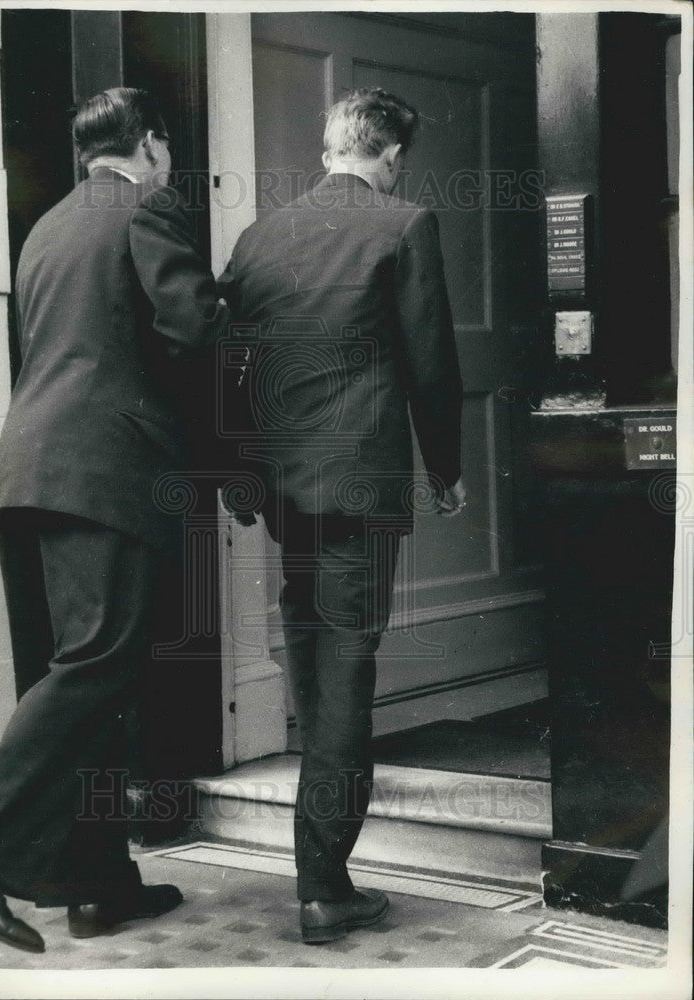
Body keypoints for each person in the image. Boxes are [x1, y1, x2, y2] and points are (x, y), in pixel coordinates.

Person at [0, 87, 228, 953]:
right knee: (98, 665)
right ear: (153, 147)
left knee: (86, 673)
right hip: (107, 472)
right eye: (166, 152)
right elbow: (192, 328)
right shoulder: (146, 207)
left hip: (29, 470)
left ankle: (97, 885)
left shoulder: (46, 228)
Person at [218, 87, 466, 944]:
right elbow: (431, 360)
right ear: (390, 151)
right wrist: (447, 468)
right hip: (360, 483)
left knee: (314, 657)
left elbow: (230, 365)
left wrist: (243, 475)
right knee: (345, 673)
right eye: (401, 156)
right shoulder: (402, 224)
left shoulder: (257, 237)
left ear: (330, 147)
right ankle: (322, 884)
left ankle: (319, 871)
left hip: (287, 489)